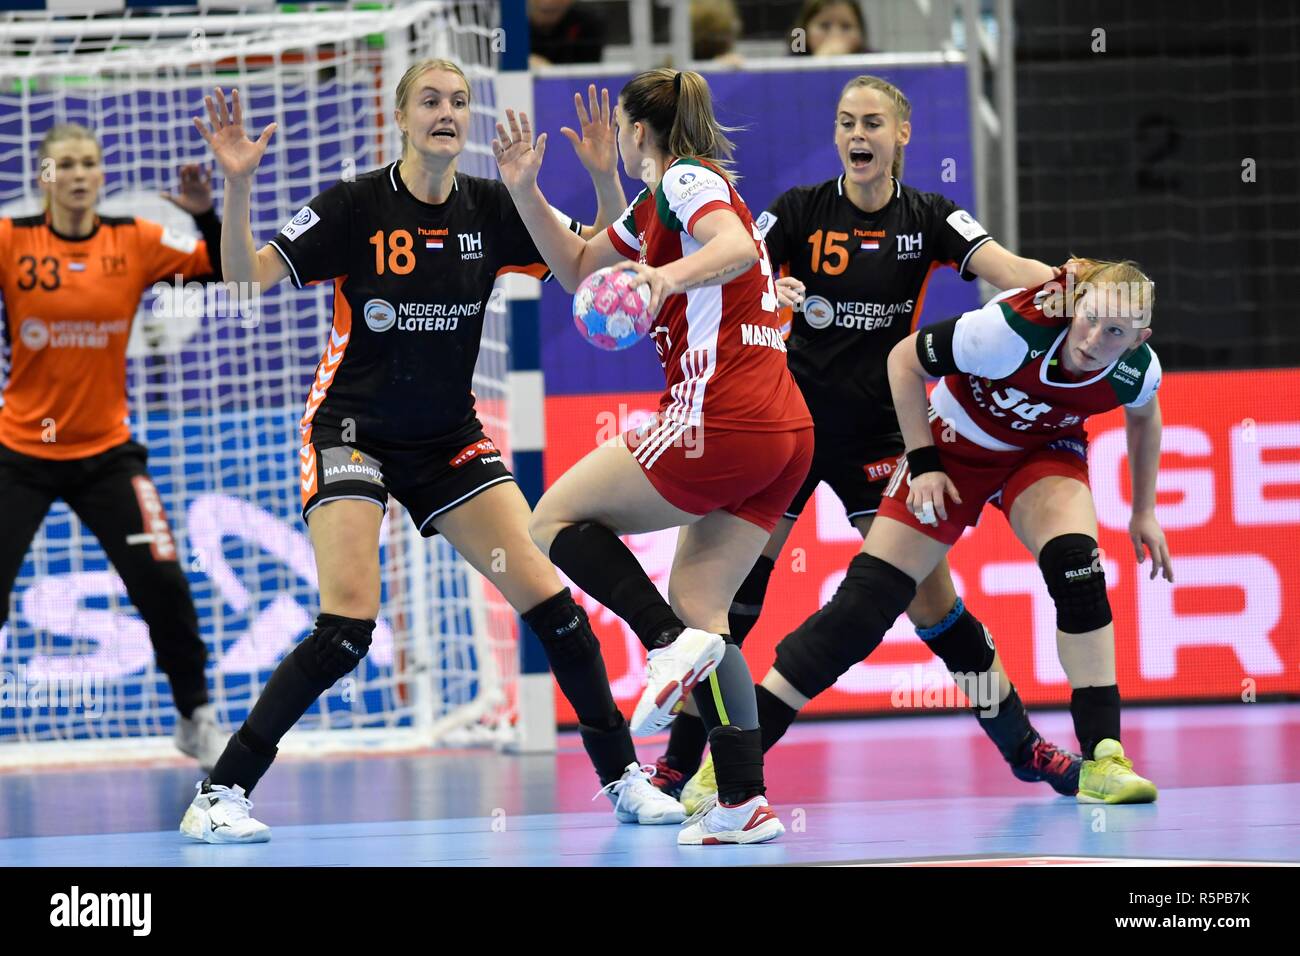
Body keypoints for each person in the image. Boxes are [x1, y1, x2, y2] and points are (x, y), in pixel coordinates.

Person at [179, 65, 686, 844]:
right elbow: (245, 279)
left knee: (554, 610)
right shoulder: (353, 205)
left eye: (458, 102)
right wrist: (238, 184)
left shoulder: (495, 202)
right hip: (351, 432)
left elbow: (599, 272)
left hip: (447, 440)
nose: (446, 113)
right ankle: (220, 793)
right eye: (431, 101)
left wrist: (602, 184)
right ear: (401, 116)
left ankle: (623, 779)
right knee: (348, 628)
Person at [661, 75, 1080, 810]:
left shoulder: (931, 217)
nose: (859, 135)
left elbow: (1009, 274)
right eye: (847, 122)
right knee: (731, 600)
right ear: (836, 136)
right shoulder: (796, 211)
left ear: (901, 137)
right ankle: (677, 766)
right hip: (786, 429)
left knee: (933, 602)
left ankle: (1023, 746)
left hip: (883, 438)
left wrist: (1077, 286)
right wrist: (771, 291)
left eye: (874, 123)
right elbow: (737, 269)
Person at [493, 68, 813, 845]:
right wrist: (525, 190)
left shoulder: (690, 180)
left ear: (641, 131)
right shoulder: (654, 202)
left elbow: (734, 247)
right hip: (785, 433)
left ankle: (666, 648)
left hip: (720, 415)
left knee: (552, 518)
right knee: (707, 613)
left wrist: (662, 277)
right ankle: (743, 803)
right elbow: (577, 268)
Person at [740, 260, 1168, 805]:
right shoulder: (1008, 334)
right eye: (1089, 319)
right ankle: (734, 761)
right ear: (1075, 305)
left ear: (1139, 339)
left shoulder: (1135, 369)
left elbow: (1144, 415)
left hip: (1040, 455)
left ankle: (1105, 756)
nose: (1092, 338)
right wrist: (922, 463)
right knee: (864, 607)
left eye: (1115, 333)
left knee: (1077, 571)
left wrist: (1144, 511)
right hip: (952, 450)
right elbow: (902, 359)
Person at [0, 123, 226, 769]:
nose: (78, 175)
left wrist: (206, 214)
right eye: (65, 164)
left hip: (106, 452)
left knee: (163, 585)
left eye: (89, 164)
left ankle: (195, 718)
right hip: (20, 450)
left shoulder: (135, 239)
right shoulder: (11, 241)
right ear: (44, 177)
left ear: (102, 175)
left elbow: (222, 269)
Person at [529, 0, 606, 67]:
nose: (548, 1)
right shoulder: (518, 26)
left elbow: (588, 73)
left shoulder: (588, 24)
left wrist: (550, 70)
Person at [792, 0, 870, 56]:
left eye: (846, 27)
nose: (835, 35)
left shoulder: (876, 65)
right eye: (825, 26)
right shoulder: (788, 66)